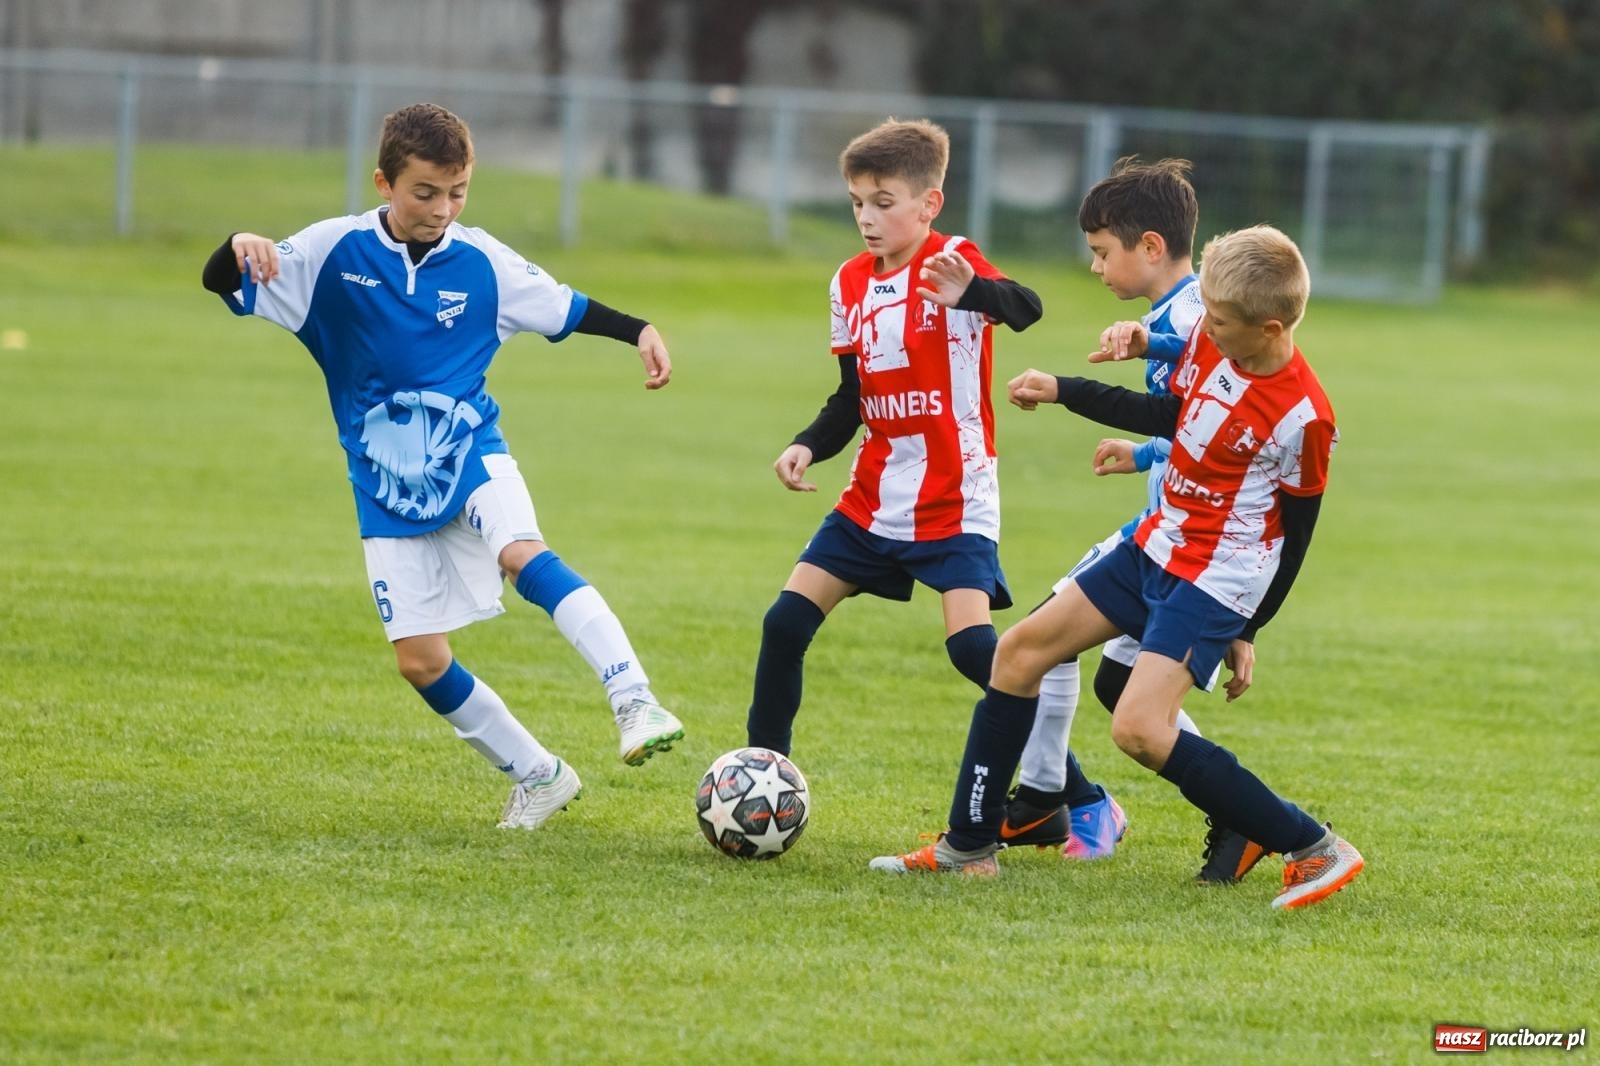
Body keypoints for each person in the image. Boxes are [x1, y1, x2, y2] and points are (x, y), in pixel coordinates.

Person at [199, 103, 684, 831]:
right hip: (384, 482)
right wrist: (237, 244)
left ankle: (634, 698)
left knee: (523, 553)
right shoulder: (332, 253)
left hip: (470, 454)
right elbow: (222, 283)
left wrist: (639, 330)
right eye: (425, 192)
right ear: (384, 182)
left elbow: (568, 308)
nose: (442, 209)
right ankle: (539, 774)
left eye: (457, 192)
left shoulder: (484, 260)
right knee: (421, 662)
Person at [871, 225, 1365, 911]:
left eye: (1219, 323)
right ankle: (968, 849)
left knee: (1138, 728)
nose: (1206, 332)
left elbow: (1298, 531)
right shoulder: (1214, 338)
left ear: (1271, 325)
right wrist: (1064, 388)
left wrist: (1249, 627)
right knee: (1017, 655)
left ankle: (1313, 847)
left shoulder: (1303, 418)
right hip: (1156, 545)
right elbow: (1169, 410)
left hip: (1214, 579)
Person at [1001, 158, 1269, 884]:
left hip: (1182, 544)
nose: (1093, 267)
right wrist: (1146, 451)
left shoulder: (1191, 315)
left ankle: (1046, 799)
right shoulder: (1179, 310)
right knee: (1116, 688)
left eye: (1100, 251)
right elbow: (1193, 421)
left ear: (1150, 247)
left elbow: (1213, 398)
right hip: (1174, 533)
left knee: (1041, 641)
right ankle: (1238, 818)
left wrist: (1084, 388)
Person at [745, 117, 1041, 758]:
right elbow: (852, 396)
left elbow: (1026, 306)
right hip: (874, 491)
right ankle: (761, 774)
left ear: (928, 204)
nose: (867, 218)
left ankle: (1059, 785)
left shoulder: (952, 260)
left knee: (972, 650)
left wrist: (972, 291)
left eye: (883, 203)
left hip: (953, 491)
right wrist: (806, 443)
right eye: (857, 203)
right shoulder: (848, 281)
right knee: (785, 622)